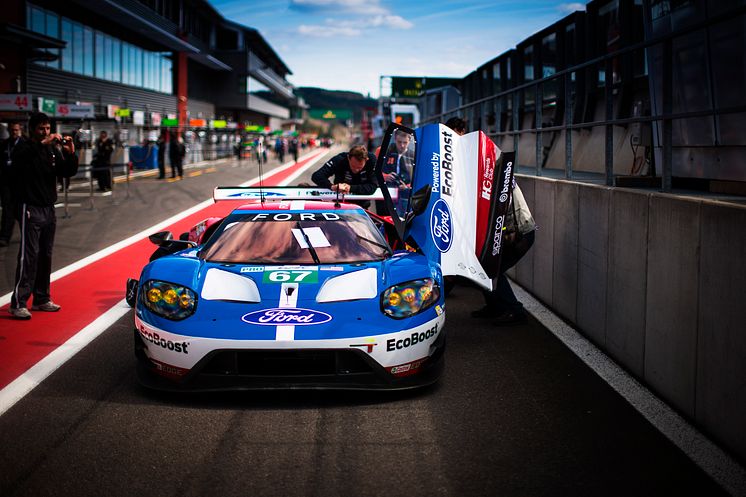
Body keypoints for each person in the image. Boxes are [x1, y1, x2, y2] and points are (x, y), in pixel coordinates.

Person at [8, 112, 78, 319]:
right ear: (32, 130)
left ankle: (41, 298)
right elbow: (20, 162)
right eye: (41, 129)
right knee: (29, 256)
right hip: (29, 207)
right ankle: (18, 302)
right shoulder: (24, 148)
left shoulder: (51, 150)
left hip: (49, 209)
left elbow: (67, 172)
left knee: (45, 256)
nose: (46, 132)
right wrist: (43, 142)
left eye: (48, 128)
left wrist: (70, 152)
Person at [471, 181, 536, 325]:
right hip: (517, 232)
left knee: (492, 269)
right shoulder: (499, 172)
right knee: (485, 266)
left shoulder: (500, 175)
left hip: (519, 234)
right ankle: (495, 307)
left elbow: (499, 205)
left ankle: (516, 311)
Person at [311, 145, 377, 208]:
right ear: (348, 158)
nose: (356, 170)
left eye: (359, 167)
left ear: (366, 160)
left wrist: (350, 188)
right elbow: (316, 176)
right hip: (340, 204)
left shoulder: (372, 161)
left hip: (362, 205)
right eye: (353, 166)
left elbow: (372, 186)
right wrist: (332, 186)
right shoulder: (340, 159)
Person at [0, 122, 25, 246]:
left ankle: (26, 235)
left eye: (16, 130)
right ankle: (4, 236)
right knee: (6, 210)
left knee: (21, 211)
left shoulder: (24, 145)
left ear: (20, 130)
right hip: (6, 183)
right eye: (12, 130)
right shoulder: (4, 144)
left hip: (20, 184)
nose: (14, 132)